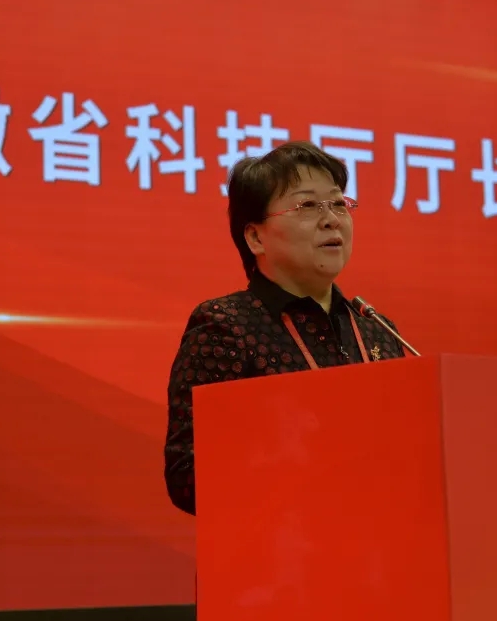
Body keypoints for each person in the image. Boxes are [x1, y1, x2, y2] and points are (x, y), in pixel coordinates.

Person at [163, 141, 407, 516]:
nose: (332, 219)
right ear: (255, 237)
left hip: (385, 541)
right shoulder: (226, 325)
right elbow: (188, 475)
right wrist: (299, 460)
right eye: (307, 205)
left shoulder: (377, 331)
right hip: (283, 545)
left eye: (338, 203)